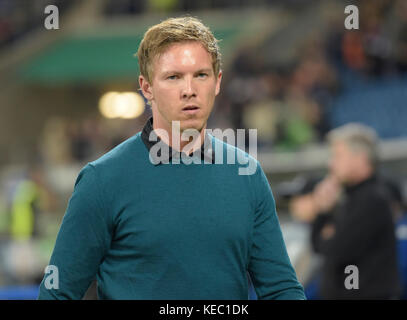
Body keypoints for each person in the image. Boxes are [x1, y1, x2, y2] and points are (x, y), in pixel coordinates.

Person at [37, 17, 305, 300]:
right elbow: (57, 293)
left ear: (217, 82)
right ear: (147, 87)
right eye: (173, 77)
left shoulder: (247, 174)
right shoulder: (102, 180)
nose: (189, 89)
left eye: (201, 75)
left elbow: (281, 288)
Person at [311, 123, 400, 299]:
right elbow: (318, 246)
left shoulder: (373, 199)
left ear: (360, 158)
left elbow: (335, 250)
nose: (331, 164)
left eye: (338, 156)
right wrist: (323, 212)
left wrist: (330, 234)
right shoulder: (348, 198)